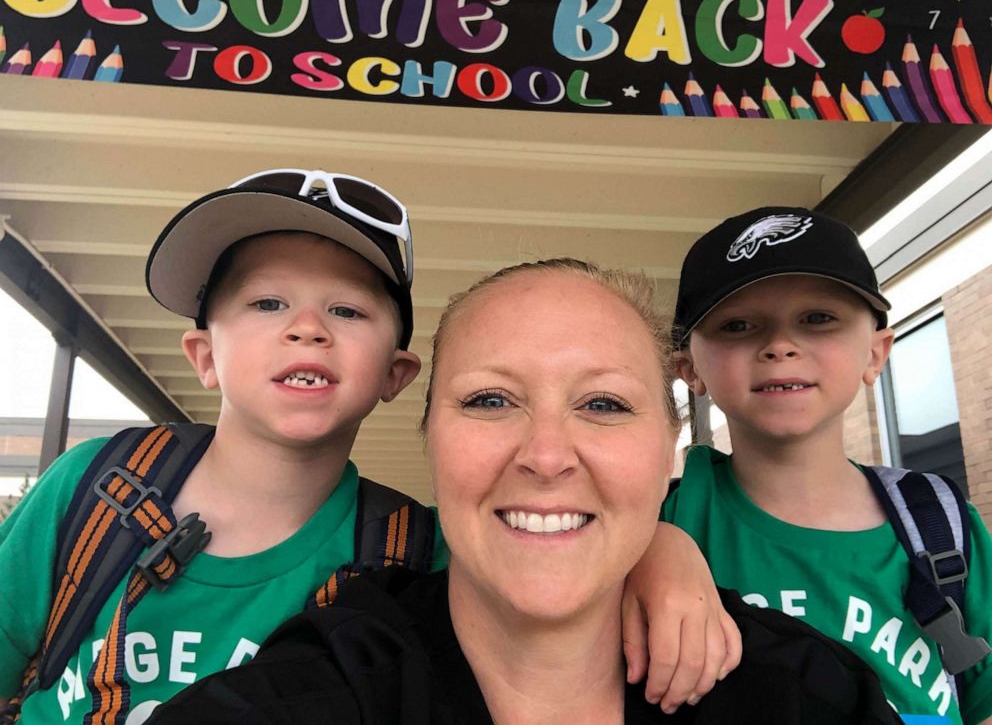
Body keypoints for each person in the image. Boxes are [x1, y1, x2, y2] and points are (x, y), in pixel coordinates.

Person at [0, 171, 735, 725]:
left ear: (396, 374)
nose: (307, 328)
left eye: (347, 309)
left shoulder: (412, 548)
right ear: (203, 355)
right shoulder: (96, 491)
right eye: (266, 302)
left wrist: (660, 550)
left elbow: (553, 560)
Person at [149, 258, 902, 725]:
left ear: (669, 445)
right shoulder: (321, 689)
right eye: (489, 401)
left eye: (603, 404)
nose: (546, 456)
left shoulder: (805, 696)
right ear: (430, 438)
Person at [663, 207, 992, 724]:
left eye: (818, 318)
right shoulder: (662, 523)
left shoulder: (941, 525)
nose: (779, 346)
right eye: (738, 324)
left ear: (876, 353)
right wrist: (660, 551)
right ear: (689, 370)